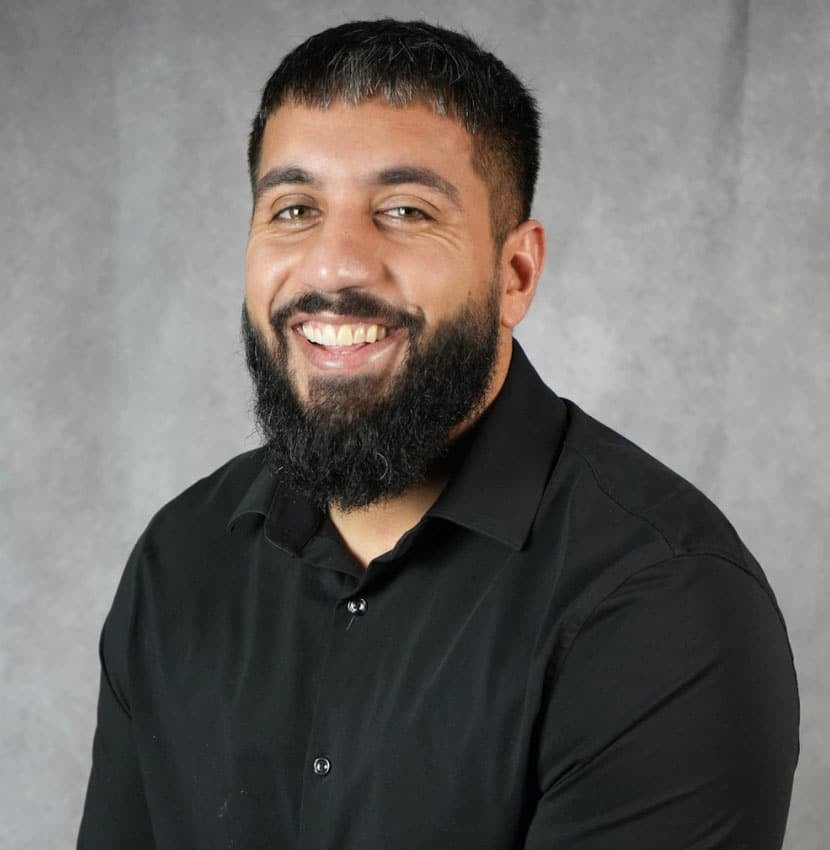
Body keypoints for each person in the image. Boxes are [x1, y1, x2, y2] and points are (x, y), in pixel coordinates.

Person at [77, 18, 799, 850]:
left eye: (405, 210)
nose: (334, 265)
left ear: (515, 272)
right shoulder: (180, 563)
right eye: (295, 208)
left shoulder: (661, 606)